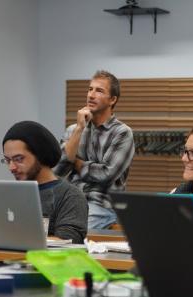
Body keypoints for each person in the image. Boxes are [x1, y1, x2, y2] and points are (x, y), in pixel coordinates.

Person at [0, 121, 88, 244]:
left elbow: (69, 242)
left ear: (41, 155)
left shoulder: (70, 196)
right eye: (7, 160)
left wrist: (1, 232)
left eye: (19, 159)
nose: (11, 167)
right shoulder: (11, 195)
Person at [54, 70, 135, 230]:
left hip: (102, 205)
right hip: (70, 200)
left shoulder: (122, 133)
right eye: (90, 89)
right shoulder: (73, 129)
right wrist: (79, 129)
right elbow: (58, 170)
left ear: (112, 99)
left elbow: (106, 174)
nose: (91, 95)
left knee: (70, 232)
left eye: (99, 91)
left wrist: (75, 162)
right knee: (42, 227)